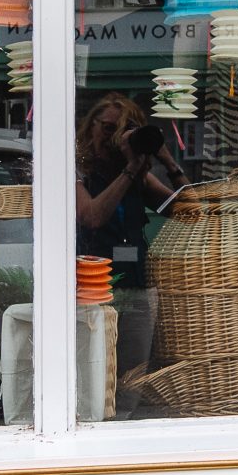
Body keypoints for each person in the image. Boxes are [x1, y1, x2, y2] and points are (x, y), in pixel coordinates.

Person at [74, 92, 183, 370]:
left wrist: (168, 161)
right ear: (91, 125)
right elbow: (92, 217)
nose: (112, 138)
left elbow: (189, 212)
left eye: (122, 131)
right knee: (95, 368)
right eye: (108, 128)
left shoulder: (137, 177)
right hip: (93, 290)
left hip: (137, 288)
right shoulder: (78, 172)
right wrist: (132, 170)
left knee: (134, 371)